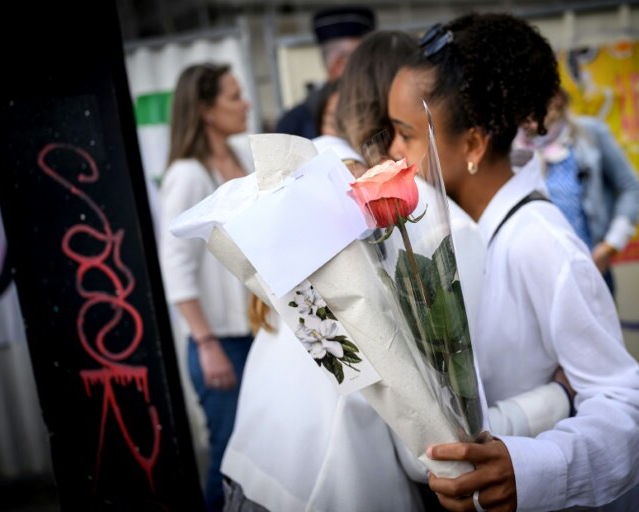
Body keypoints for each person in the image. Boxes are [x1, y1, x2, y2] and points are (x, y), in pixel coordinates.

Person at [221, 30, 575, 512]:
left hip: (248, 474)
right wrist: (557, 398)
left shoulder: (299, 191)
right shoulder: (421, 222)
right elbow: (440, 450)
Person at [387, 13, 639, 512]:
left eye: (405, 135)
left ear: (472, 143)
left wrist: (530, 468)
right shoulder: (474, 233)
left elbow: (637, 408)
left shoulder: (540, 241)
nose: (392, 151)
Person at [158, 62, 254, 512]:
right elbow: (175, 268)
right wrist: (206, 342)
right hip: (221, 344)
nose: (245, 103)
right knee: (230, 461)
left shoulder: (241, 158)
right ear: (206, 110)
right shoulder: (188, 174)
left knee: (258, 458)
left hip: (255, 336)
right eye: (234, 96)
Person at [514, 88, 639, 294]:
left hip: (591, 268)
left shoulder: (590, 133)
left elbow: (629, 187)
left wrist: (611, 245)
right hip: (541, 276)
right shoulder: (515, 147)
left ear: (557, 100)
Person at [273, 5, 375, 139]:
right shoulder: (295, 124)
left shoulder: (293, 121)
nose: (373, 69)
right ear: (339, 63)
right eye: (367, 60)